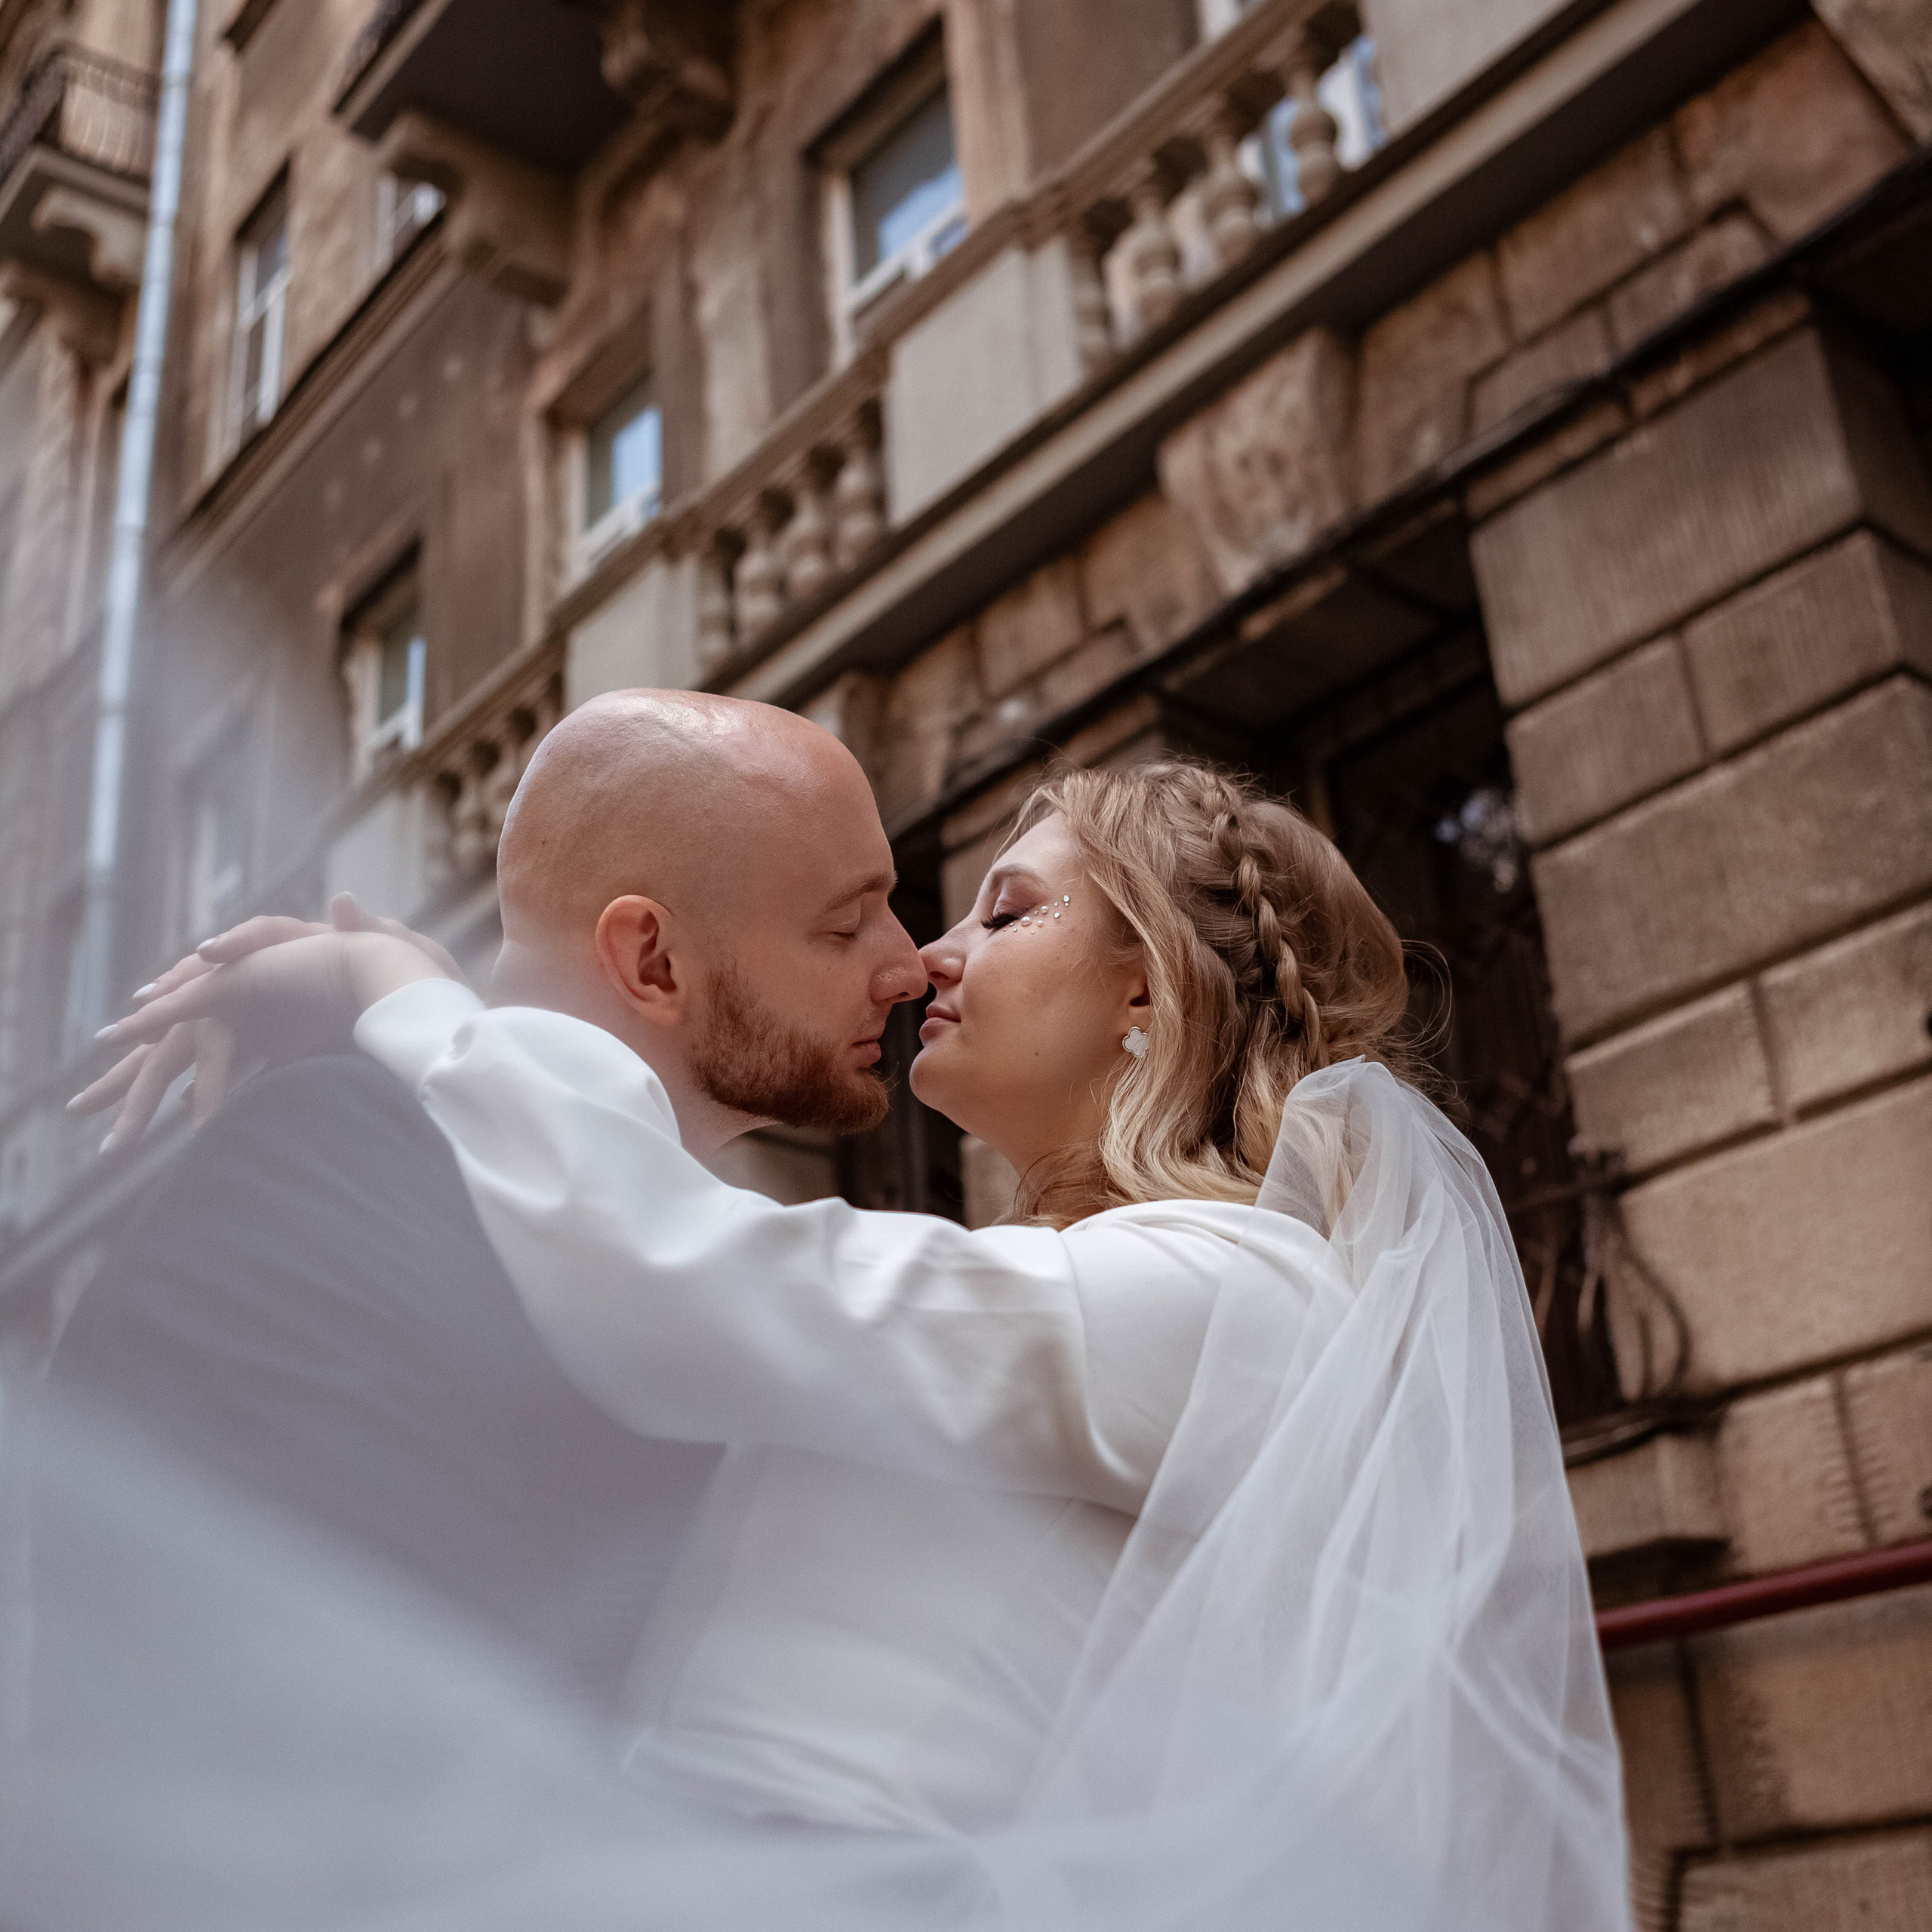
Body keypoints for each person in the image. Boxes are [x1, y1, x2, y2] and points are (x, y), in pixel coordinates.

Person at [60, 724, 1632, 1928]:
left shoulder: (1242, 1289)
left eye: (1001, 909)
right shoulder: (1066, 1283)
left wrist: (398, 985)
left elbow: (697, 1281)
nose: (929, 957)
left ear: (1144, 990)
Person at [38, 690, 928, 1718]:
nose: (907, 967)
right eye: (846, 925)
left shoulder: (694, 1256)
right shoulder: (338, 1164)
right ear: (653, 961)